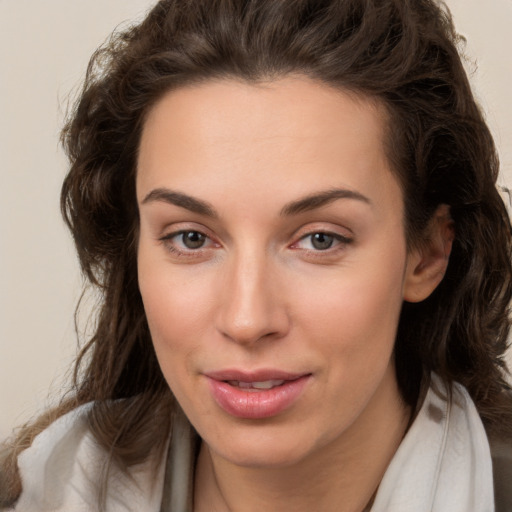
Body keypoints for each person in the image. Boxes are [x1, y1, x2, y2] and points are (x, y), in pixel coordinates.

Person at [1, 0, 512, 510]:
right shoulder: (40, 493)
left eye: (320, 239)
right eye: (191, 238)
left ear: (426, 254)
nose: (247, 320)